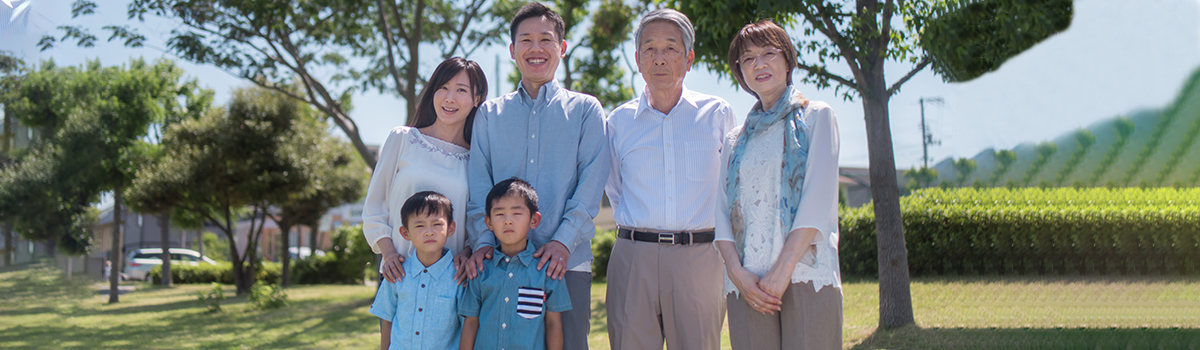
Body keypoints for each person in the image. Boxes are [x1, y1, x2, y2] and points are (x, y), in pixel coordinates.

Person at [462, 3, 609, 349]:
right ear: (512, 50)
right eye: (526, 40)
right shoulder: (488, 115)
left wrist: (562, 241)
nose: (536, 48)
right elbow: (479, 187)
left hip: (566, 263)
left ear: (562, 47)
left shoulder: (586, 110)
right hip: (500, 264)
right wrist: (484, 243)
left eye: (546, 39)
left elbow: (591, 183)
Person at [602, 8, 734, 350]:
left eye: (671, 48)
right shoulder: (619, 121)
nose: (659, 58)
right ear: (637, 58)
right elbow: (616, 189)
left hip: (700, 257)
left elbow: (732, 189)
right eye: (649, 48)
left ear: (689, 58)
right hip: (633, 257)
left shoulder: (717, 114)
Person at [716, 19, 844, 349]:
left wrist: (782, 269)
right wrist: (737, 274)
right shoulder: (735, 138)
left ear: (787, 60)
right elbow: (720, 212)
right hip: (748, 282)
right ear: (740, 72)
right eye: (747, 58)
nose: (759, 64)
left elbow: (816, 199)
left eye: (768, 53)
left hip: (805, 271)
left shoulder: (817, 116)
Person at [363, 57, 488, 285]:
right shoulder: (402, 139)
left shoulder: (478, 159)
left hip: (452, 281)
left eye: (461, 90)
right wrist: (389, 254)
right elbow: (374, 208)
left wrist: (467, 253)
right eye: (443, 88)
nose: (450, 98)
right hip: (398, 275)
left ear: (477, 99)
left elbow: (478, 221)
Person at [459, 178, 572, 350]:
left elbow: (553, 324)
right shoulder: (480, 269)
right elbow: (471, 322)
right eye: (499, 214)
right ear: (488, 222)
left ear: (533, 220)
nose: (508, 221)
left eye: (516, 213)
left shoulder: (547, 271)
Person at [369, 191, 463, 350]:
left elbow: (467, 324)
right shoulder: (396, 274)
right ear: (405, 233)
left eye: (437, 224)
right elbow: (387, 320)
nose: (429, 231)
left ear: (451, 228)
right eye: (420, 225)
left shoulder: (460, 275)